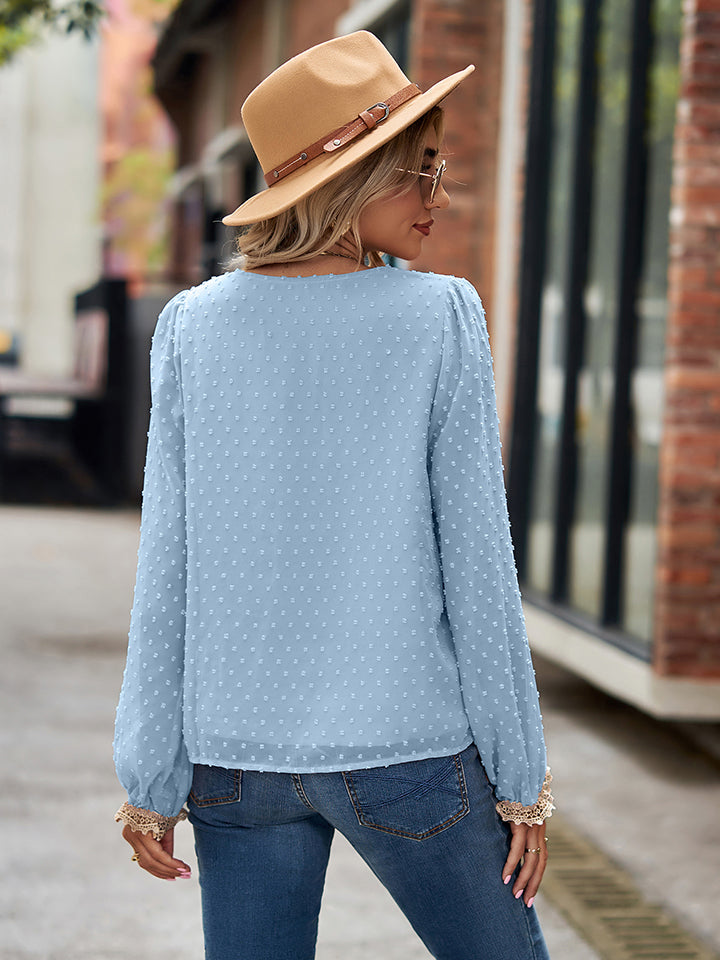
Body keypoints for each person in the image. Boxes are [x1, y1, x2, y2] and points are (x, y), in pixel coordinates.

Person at [114, 30, 554, 960]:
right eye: (422, 172)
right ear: (351, 181)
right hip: (407, 750)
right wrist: (521, 781)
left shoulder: (191, 326)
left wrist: (150, 778)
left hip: (234, 761)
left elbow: (167, 567)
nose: (440, 198)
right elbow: (478, 564)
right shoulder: (440, 316)